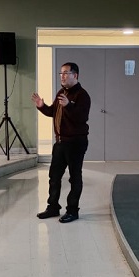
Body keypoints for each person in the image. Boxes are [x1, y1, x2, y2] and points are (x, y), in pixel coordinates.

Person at [31, 62, 91, 223]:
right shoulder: (61, 93)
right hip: (60, 143)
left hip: (76, 143)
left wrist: (69, 106)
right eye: (61, 73)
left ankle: (72, 211)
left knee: (74, 177)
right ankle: (53, 207)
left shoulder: (82, 95)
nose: (62, 76)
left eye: (66, 73)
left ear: (75, 75)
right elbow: (53, 112)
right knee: (54, 176)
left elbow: (81, 117)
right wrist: (42, 106)